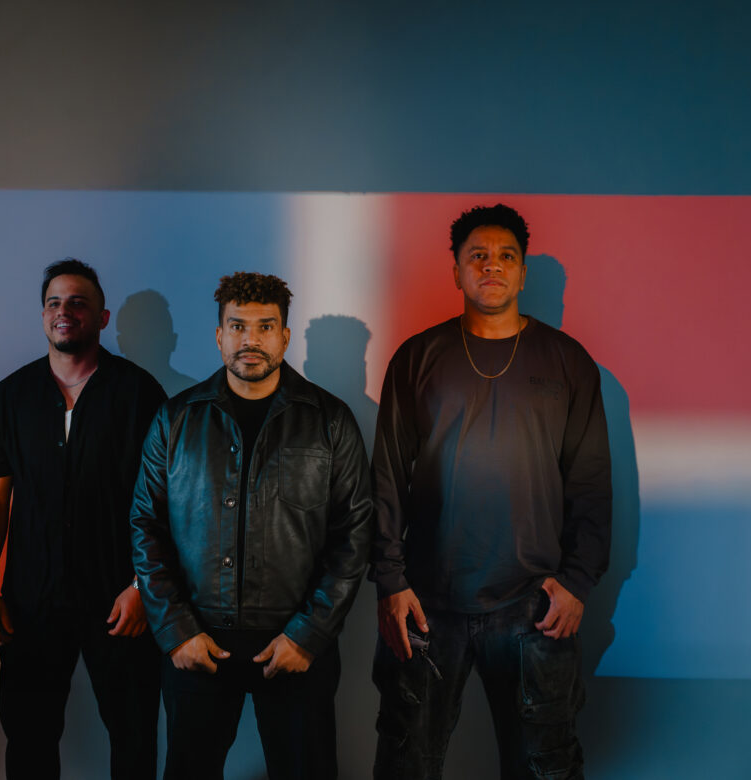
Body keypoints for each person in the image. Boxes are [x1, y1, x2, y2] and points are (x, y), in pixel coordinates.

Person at [371, 205, 612, 780]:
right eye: (477, 256)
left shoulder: (568, 362)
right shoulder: (417, 358)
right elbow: (386, 477)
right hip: (427, 602)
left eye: (506, 256)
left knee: (544, 768)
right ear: (456, 271)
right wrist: (390, 581)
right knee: (406, 764)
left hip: (534, 602)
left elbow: (591, 482)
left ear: (523, 273)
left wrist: (578, 581)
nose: (492, 266)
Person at [130, 271, 373, 780]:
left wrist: (309, 634)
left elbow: (354, 534)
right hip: (198, 639)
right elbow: (146, 526)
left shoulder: (330, 421)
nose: (251, 340)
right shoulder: (175, 420)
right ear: (219, 335)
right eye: (238, 326)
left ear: (285, 336)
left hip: (295, 639)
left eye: (265, 327)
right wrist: (176, 631)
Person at [0, 258, 166, 779]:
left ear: (102, 318)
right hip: (31, 601)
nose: (65, 311)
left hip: (120, 600)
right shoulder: (10, 397)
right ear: (43, 316)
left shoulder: (140, 394)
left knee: (134, 739)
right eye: (55, 302)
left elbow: (166, 501)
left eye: (78, 302)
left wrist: (142, 587)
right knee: (29, 741)